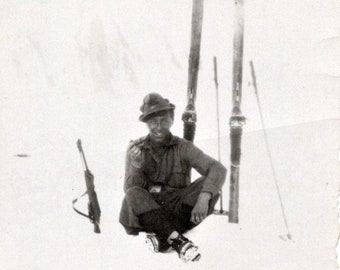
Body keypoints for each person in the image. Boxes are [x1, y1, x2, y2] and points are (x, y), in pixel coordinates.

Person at [119, 93, 227, 262]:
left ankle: (164, 239)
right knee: (133, 192)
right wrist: (137, 165)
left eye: (164, 120)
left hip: (175, 207)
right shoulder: (135, 149)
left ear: (171, 120)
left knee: (211, 188)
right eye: (153, 122)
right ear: (147, 123)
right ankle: (177, 240)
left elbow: (217, 168)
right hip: (147, 212)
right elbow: (130, 189)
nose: (159, 127)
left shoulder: (183, 146)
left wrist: (204, 197)